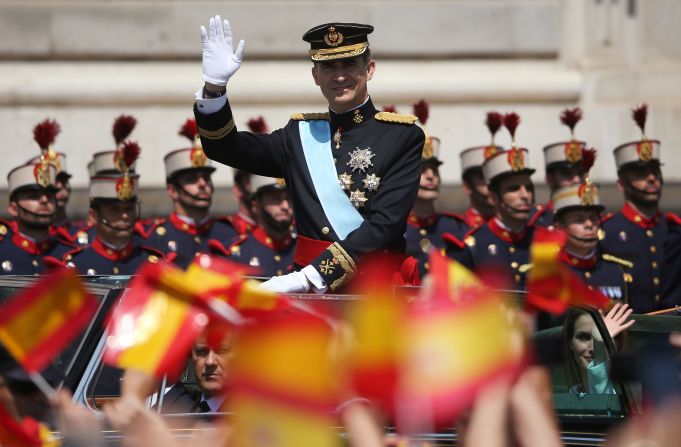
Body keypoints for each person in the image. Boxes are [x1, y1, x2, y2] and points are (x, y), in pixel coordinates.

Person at [193, 17, 425, 292]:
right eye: (328, 66)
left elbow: (385, 224)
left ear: (370, 69)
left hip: (374, 292)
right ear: (315, 75)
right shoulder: (299, 135)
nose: (339, 75)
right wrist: (215, 89)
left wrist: (311, 277)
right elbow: (225, 147)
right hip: (313, 299)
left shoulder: (402, 136)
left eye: (349, 63)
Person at [447, 113, 535, 289]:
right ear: (494, 197)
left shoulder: (547, 242)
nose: (525, 195)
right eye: (513, 188)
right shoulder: (470, 246)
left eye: (528, 187)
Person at [599, 104, 670, 313]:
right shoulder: (607, 232)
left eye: (655, 172)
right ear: (621, 183)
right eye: (641, 173)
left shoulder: (674, 228)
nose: (651, 178)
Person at [138, 119, 237, 268]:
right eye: (192, 179)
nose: (203, 184)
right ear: (172, 190)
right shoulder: (154, 239)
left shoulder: (230, 234)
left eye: (206, 177)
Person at [64, 143, 165, 275]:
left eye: (129, 208)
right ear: (94, 216)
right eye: (115, 210)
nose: (124, 216)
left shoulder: (153, 265)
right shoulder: (75, 267)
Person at [551, 150, 632, 301]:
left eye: (593, 218)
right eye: (579, 219)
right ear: (559, 227)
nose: (589, 225)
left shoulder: (616, 270)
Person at [404, 100, 468, 278]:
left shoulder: (455, 226)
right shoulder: (394, 229)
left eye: (435, 170)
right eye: (422, 170)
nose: (431, 176)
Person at [209, 174, 295, 277]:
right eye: (275, 199)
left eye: (289, 199)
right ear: (256, 205)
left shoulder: (305, 252)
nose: (285, 206)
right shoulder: (234, 254)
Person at [0, 160, 74, 274]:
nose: (44, 200)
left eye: (50, 195)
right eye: (34, 195)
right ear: (13, 209)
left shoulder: (70, 255)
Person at [531, 108, 587, 228]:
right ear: (549, 180)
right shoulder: (536, 224)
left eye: (581, 173)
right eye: (567, 174)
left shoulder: (598, 222)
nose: (577, 180)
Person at [563, 304, 634, 396]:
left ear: (619, 344)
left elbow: (603, 405)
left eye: (605, 338)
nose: (593, 348)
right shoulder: (568, 396)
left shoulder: (632, 395)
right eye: (584, 337)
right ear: (570, 343)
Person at [161, 334, 233, 414]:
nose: (210, 362)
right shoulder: (180, 414)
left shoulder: (246, 418)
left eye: (222, 351)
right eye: (201, 351)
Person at [458, 111, 502, 229]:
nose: (491, 185)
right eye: (483, 178)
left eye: (495, 178)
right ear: (467, 187)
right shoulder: (459, 229)